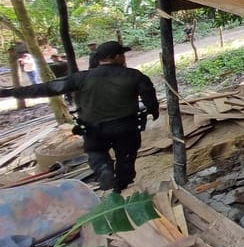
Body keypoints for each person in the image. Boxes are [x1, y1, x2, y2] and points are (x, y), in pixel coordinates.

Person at [1, 41, 159, 192]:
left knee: (96, 153)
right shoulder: (133, 75)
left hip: (93, 129)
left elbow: (48, 88)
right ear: (118, 56)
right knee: (126, 157)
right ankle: (122, 185)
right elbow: (149, 97)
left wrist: (10, 92)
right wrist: (152, 110)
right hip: (125, 127)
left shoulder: (82, 78)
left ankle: (104, 171)